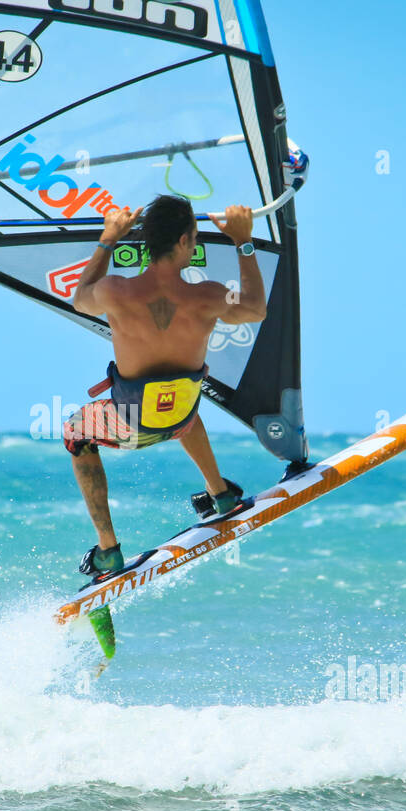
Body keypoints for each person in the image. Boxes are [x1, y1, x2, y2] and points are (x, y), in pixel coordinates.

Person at [65, 194, 268, 578]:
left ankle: (108, 550)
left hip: (130, 422)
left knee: (75, 433)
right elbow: (256, 308)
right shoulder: (208, 295)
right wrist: (243, 240)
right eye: (194, 237)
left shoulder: (114, 291)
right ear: (182, 243)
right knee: (183, 395)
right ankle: (220, 494)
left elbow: (79, 300)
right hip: (180, 415)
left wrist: (108, 239)